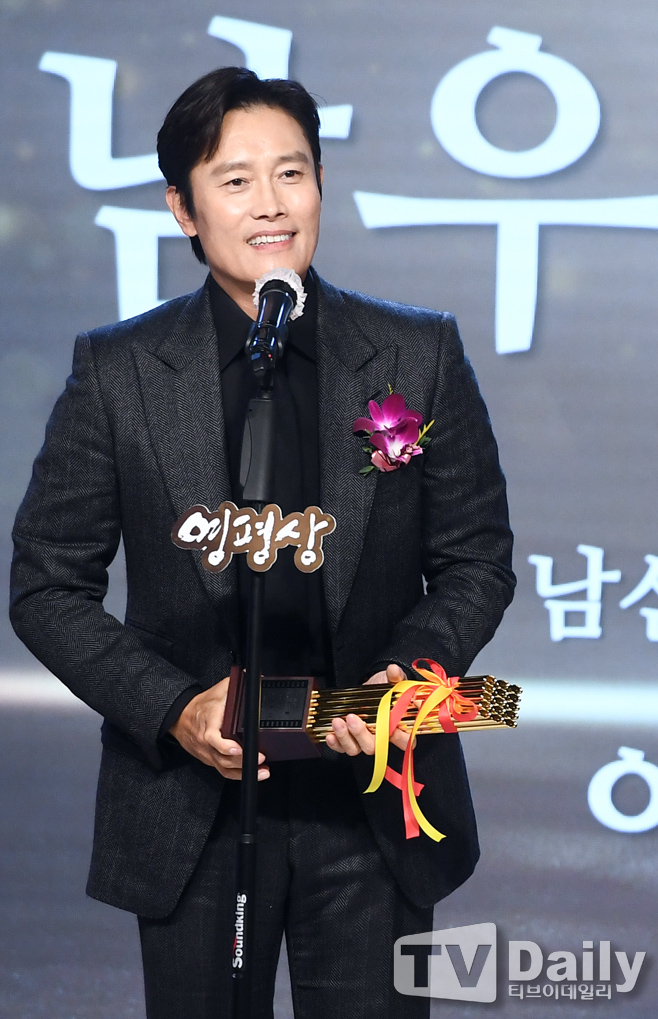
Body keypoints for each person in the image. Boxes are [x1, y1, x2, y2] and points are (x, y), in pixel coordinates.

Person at [10, 67, 515, 1019]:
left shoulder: (416, 354)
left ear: (321, 184)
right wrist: (172, 707)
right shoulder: (119, 371)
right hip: (192, 809)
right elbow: (45, 584)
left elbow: (477, 558)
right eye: (236, 180)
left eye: (292, 172)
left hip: (369, 801)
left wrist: (409, 673)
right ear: (184, 209)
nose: (271, 203)